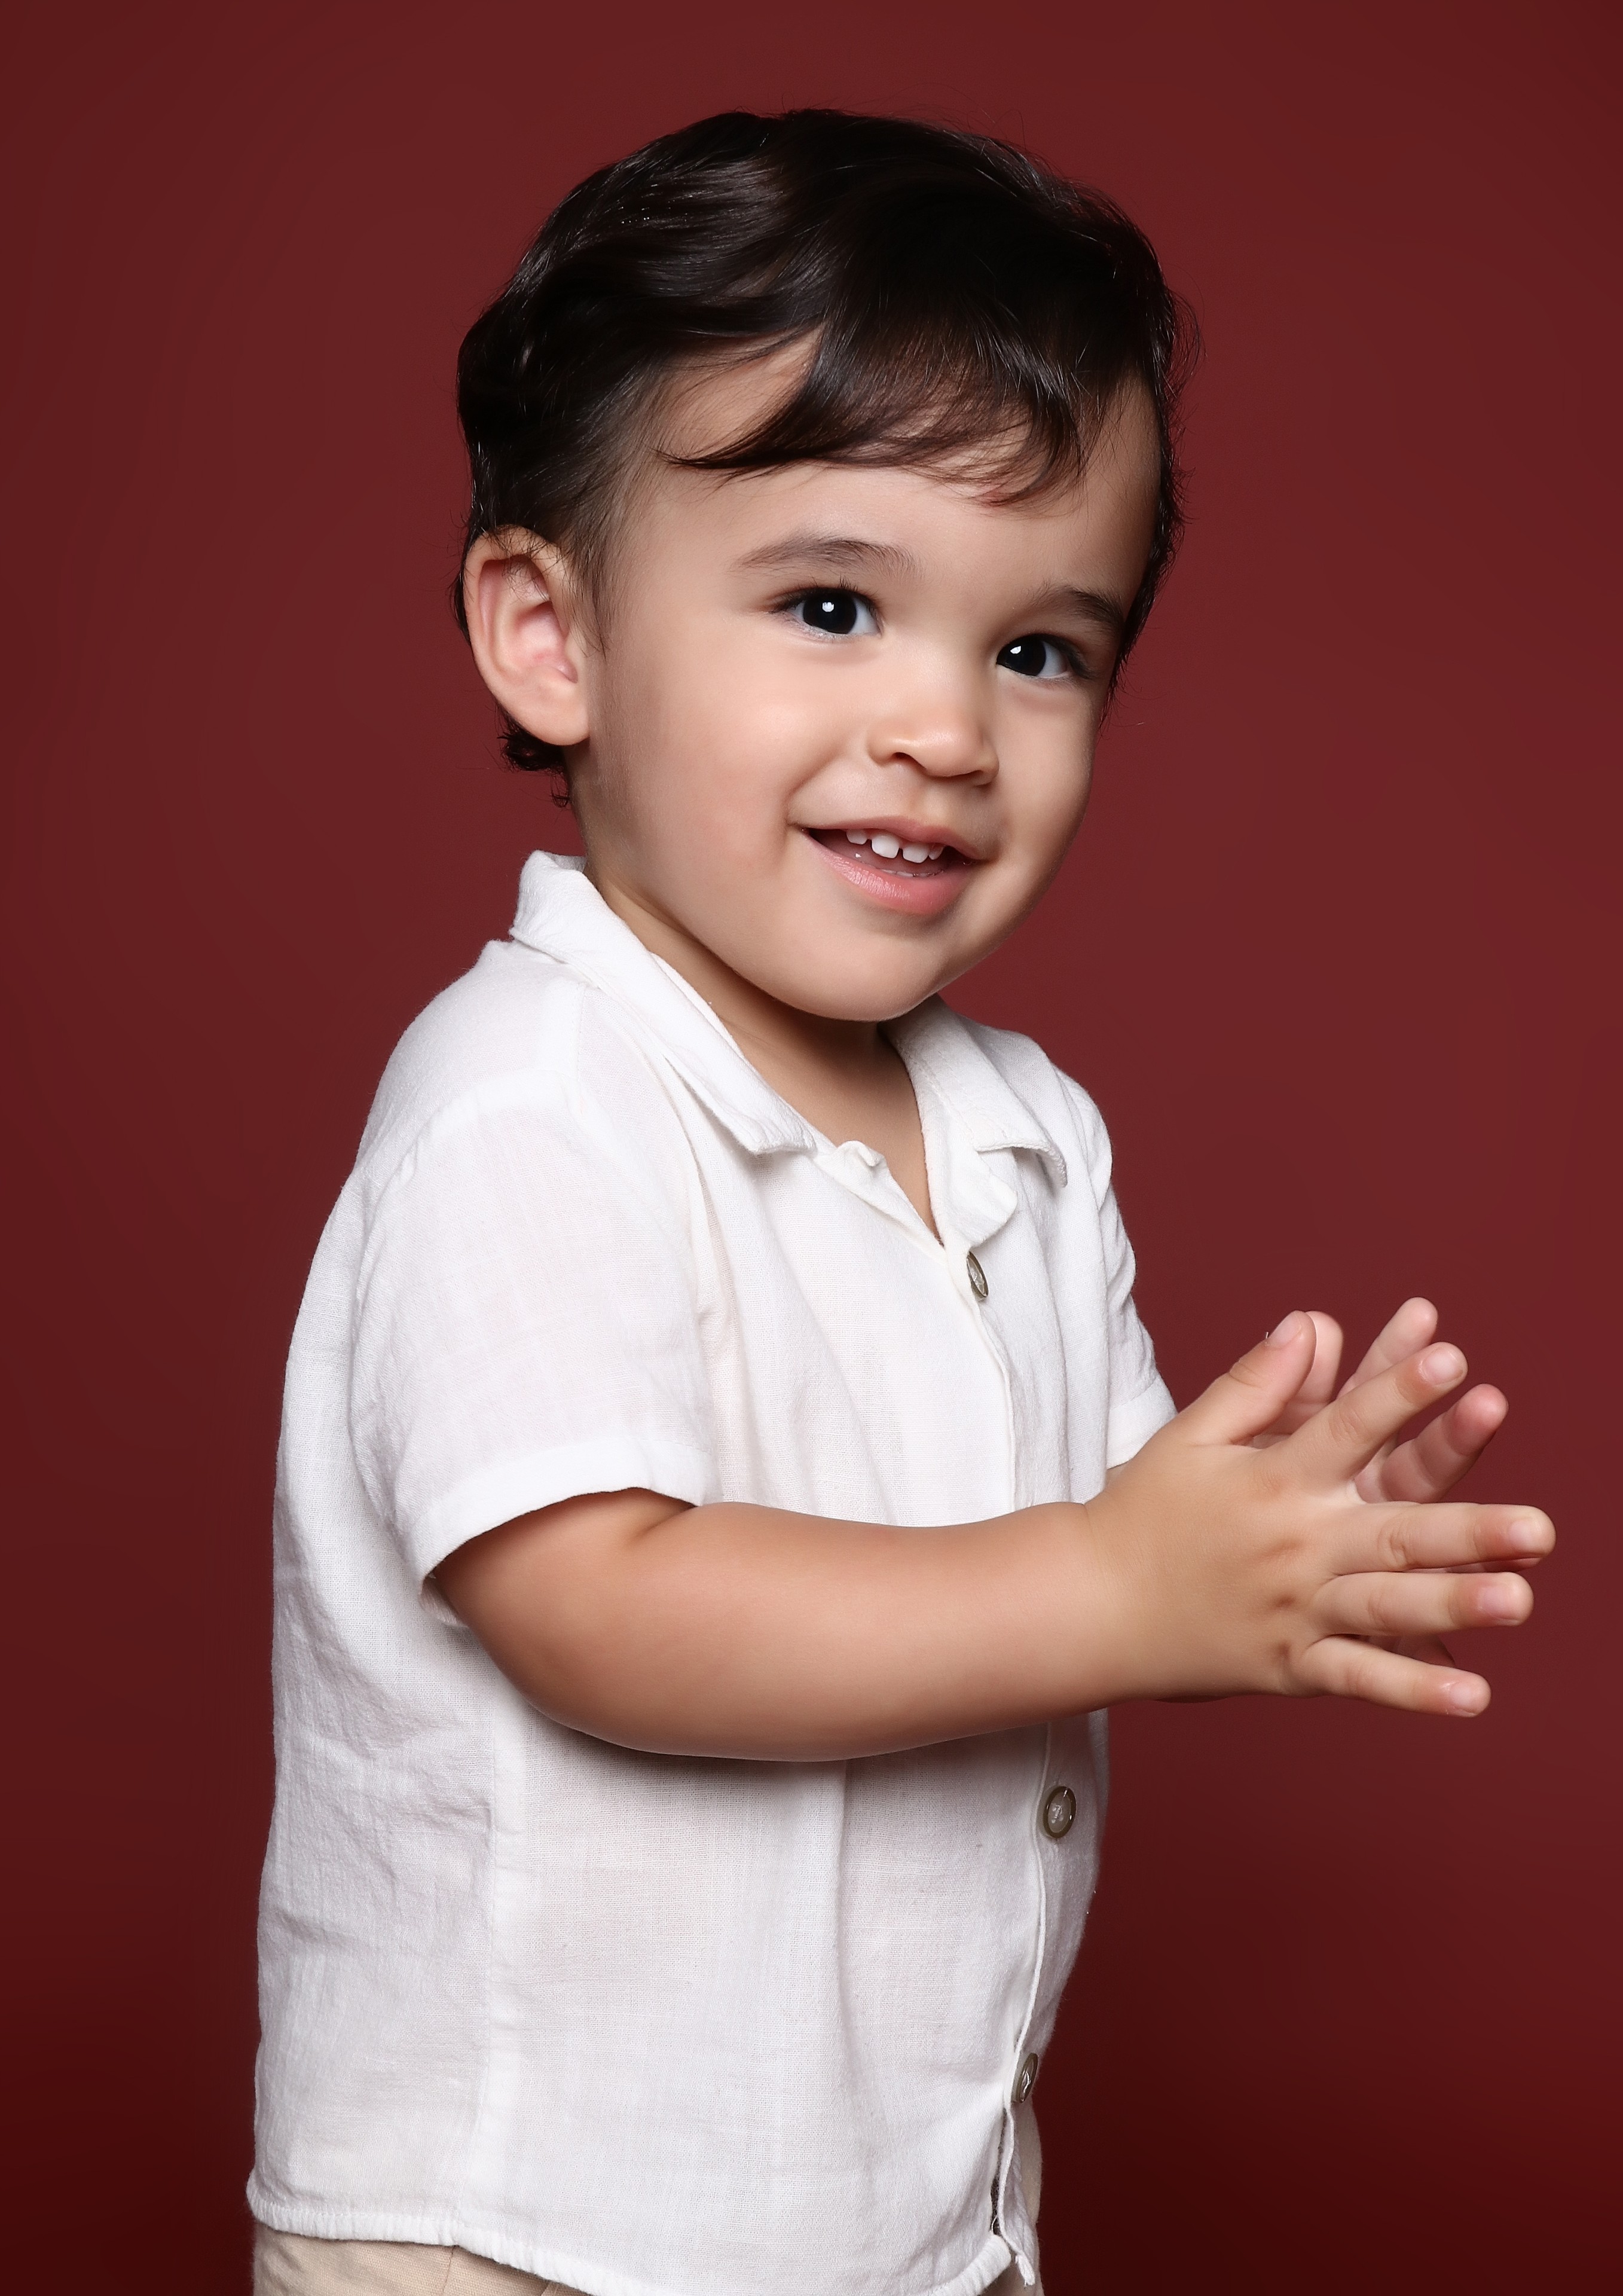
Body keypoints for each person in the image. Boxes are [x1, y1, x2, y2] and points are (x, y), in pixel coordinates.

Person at [249, 109, 1551, 2296]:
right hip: (528, 2231)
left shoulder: (1022, 1131)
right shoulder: (529, 1094)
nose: (945, 725)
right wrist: (1112, 1584)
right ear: (549, 636)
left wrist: (1259, 1541)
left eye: (1041, 651)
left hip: (890, 2222)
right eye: (832, 607)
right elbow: (594, 1606)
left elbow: (1074, 1546)